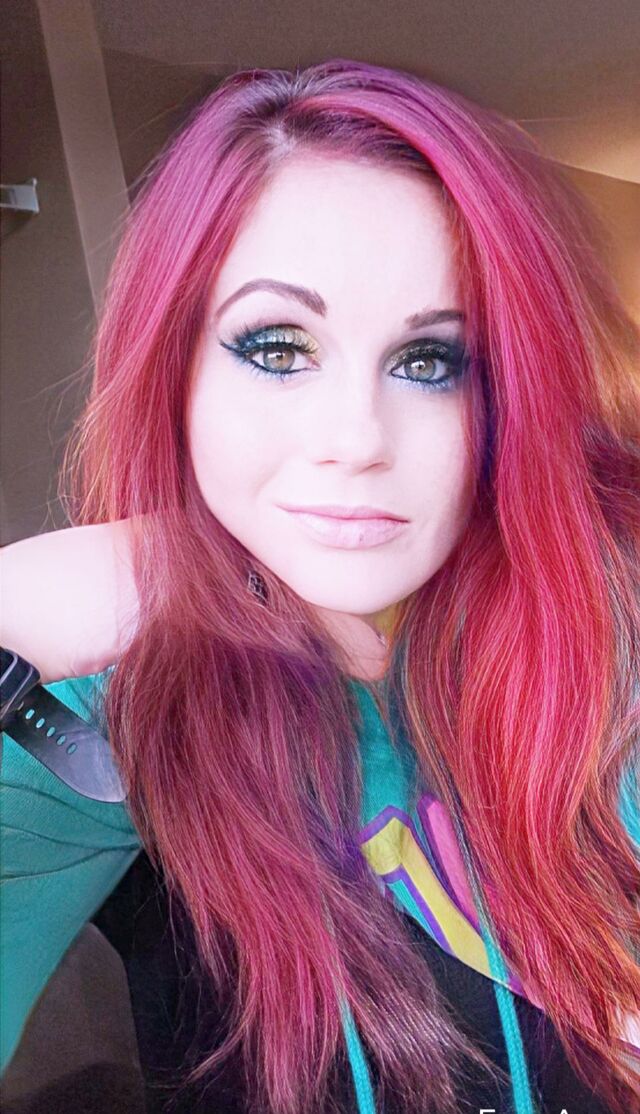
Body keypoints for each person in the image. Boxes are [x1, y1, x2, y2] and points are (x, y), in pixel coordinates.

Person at [1, 56, 639, 1114]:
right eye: (277, 347)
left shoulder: (607, 636)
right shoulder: (94, 709)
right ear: (176, 372)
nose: (356, 439)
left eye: (430, 361)